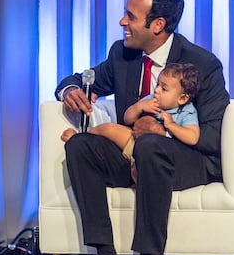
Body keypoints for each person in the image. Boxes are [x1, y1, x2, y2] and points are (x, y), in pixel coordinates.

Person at [57, 0, 230, 255]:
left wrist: (166, 130)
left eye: (131, 17)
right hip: (133, 153)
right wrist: (70, 89)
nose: (123, 21)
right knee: (80, 146)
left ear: (158, 24)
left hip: (184, 159)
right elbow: (81, 78)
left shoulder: (202, 64)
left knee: (150, 144)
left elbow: (215, 135)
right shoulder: (122, 55)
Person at [61, 62, 201, 181]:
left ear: (182, 98)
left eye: (164, 89)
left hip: (159, 154)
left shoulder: (186, 112)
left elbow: (193, 137)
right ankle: (81, 137)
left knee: (145, 167)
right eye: (157, 84)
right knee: (109, 129)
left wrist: (171, 126)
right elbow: (127, 118)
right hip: (134, 141)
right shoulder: (151, 98)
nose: (157, 90)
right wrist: (139, 107)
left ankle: (137, 176)